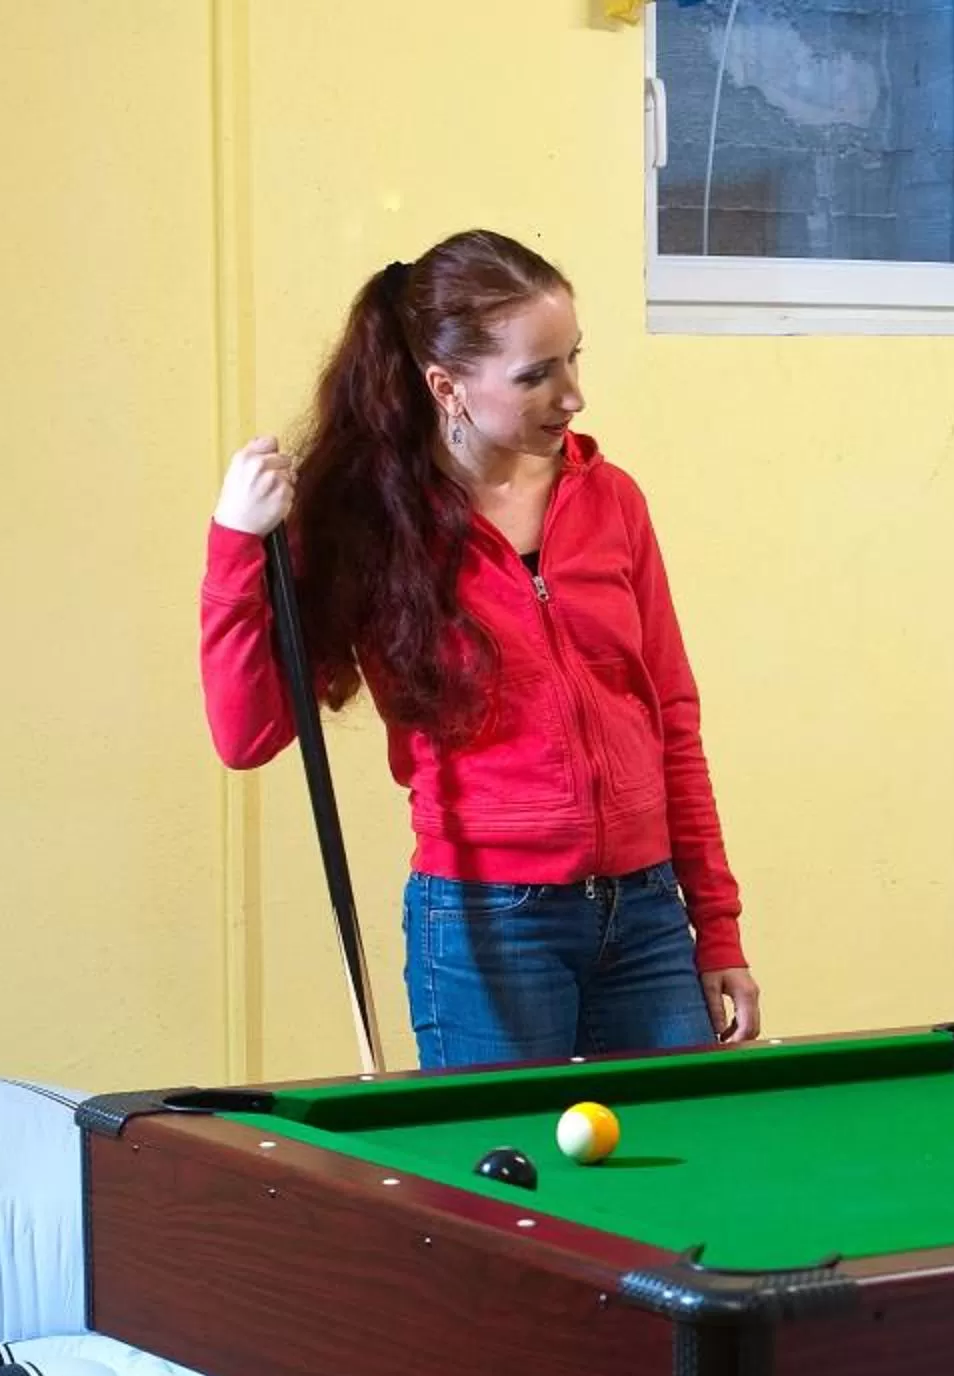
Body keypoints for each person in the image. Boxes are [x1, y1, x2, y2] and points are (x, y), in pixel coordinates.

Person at [201, 229, 760, 1067]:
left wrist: (715, 927)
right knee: (502, 1195)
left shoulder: (611, 501)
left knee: (694, 1164)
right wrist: (235, 544)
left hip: (645, 916)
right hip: (489, 924)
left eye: (573, 359)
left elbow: (671, 719)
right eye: (536, 374)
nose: (572, 396)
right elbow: (247, 734)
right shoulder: (371, 527)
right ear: (447, 387)